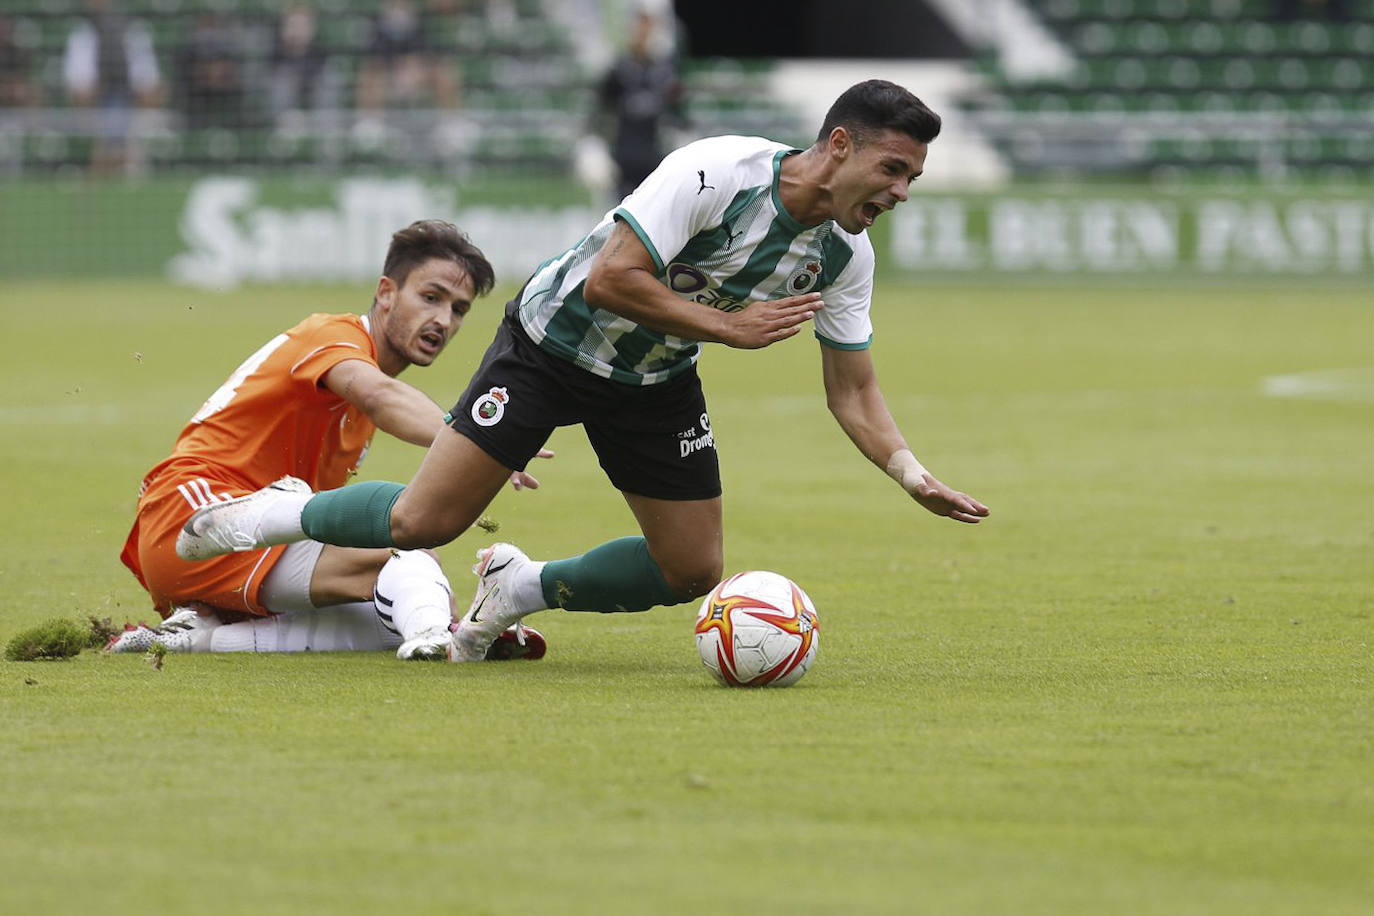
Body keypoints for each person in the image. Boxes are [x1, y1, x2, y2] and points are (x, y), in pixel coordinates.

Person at [178, 80, 991, 664]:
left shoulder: (845, 256)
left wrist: (909, 472)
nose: (901, 191)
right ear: (840, 145)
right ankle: (269, 517)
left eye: (912, 178)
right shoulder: (718, 171)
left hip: (654, 378)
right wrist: (729, 329)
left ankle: (520, 588)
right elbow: (612, 277)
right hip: (551, 343)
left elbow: (853, 389)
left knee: (692, 570)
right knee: (422, 524)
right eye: (892, 169)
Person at [112, 220, 547, 661]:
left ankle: (200, 634)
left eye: (458, 310)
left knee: (399, 606)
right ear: (386, 293)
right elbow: (380, 395)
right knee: (406, 559)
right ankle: (441, 633)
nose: (442, 319)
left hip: (236, 546)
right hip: (196, 515)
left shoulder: (359, 397)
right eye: (430, 297)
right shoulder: (333, 336)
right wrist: (478, 440)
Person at [62, 0, 163, 175]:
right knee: (108, 117)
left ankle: (123, 165)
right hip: (94, 110)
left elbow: (149, 86)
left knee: (127, 116)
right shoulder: (82, 33)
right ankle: (106, 166)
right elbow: (79, 91)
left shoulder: (134, 29)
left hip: (131, 107)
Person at [595, 6, 684, 201]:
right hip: (623, 162)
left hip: (654, 160)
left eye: (648, 25)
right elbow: (600, 113)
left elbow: (679, 117)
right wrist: (596, 147)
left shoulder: (666, 74)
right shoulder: (618, 71)